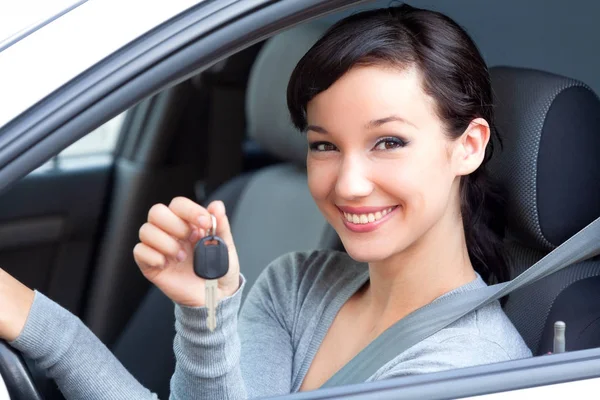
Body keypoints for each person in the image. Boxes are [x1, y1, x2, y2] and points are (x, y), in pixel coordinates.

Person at [0, 4, 532, 400]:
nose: (348, 184)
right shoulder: (297, 285)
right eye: (324, 145)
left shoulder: (473, 369)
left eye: (388, 142)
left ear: (468, 145)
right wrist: (203, 308)